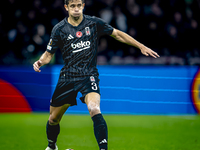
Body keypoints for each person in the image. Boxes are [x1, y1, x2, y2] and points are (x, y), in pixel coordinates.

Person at [33, 0, 160, 150]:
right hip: (68, 76)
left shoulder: (93, 23)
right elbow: (49, 54)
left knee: (94, 108)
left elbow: (117, 34)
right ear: (66, 7)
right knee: (53, 119)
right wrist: (40, 62)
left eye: (79, 5)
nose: (76, 9)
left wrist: (141, 46)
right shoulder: (59, 29)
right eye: (72, 6)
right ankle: (52, 146)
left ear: (83, 6)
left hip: (89, 75)